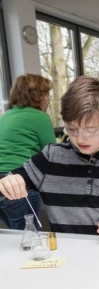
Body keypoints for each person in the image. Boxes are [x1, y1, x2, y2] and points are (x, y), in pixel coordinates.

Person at [0, 76, 99, 239]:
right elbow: (10, 182)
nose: (80, 138)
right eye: (71, 129)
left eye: (90, 129)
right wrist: (7, 182)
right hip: (65, 257)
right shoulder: (51, 157)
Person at [0, 74, 55, 229]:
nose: (48, 99)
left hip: (1, 184)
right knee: (30, 237)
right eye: (46, 94)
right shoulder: (39, 117)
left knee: (15, 237)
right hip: (19, 182)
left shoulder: (6, 116)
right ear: (39, 96)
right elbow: (52, 153)